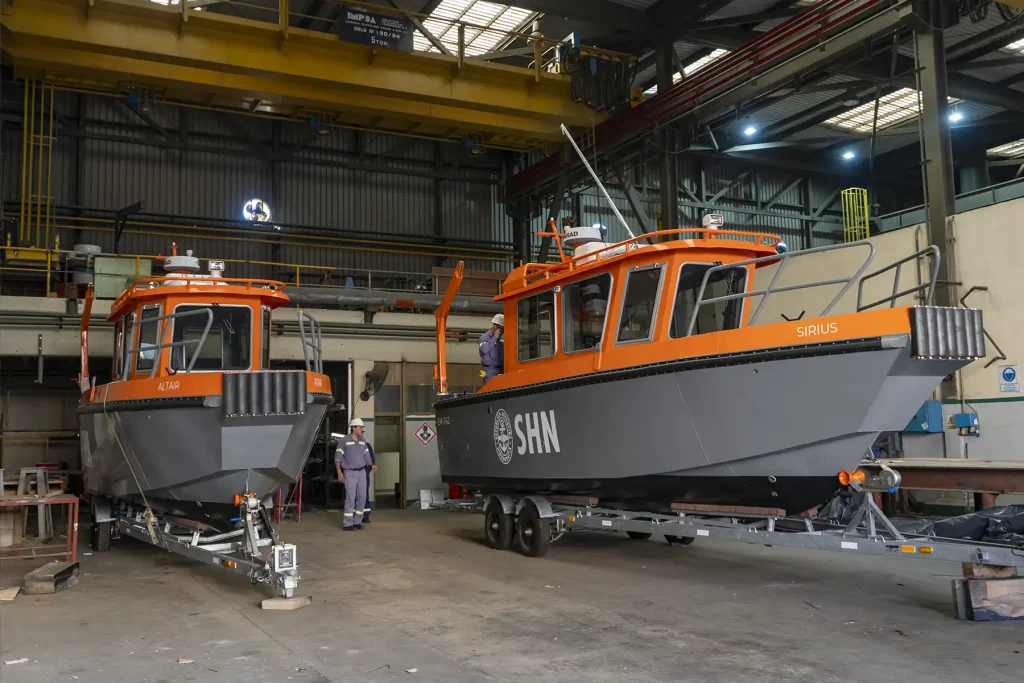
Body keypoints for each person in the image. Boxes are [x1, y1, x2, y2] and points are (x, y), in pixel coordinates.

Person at [335, 418, 376, 531]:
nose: (362, 429)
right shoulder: (344, 441)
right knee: (350, 498)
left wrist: (371, 464)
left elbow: (367, 456)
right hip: (350, 473)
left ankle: (357, 522)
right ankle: (348, 524)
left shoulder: (363, 441)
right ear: (353, 428)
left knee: (362, 497)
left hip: (362, 473)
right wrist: (339, 472)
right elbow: (337, 458)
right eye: (360, 427)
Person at [479, 313, 504, 382]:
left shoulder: (501, 339)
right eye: (501, 329)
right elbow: (485, 350)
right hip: (489, 371)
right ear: (495, 326)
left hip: (501, 369)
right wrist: (495, 337)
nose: (502, 331)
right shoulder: (484, 338)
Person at [361, 440, 376, 524]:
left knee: (364, 495)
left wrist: (365, 472)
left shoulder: (366, 445)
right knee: (354, 496)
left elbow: (372, 461)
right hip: (353, 475)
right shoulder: (349, 445)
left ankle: (365, 516)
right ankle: (356, 517)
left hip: (364, 474)